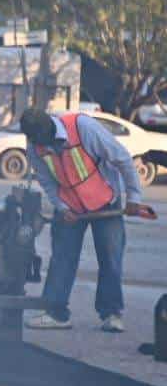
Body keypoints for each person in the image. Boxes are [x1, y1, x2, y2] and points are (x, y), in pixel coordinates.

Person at [21, 108, 153, 332]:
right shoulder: (35, 146)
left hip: (105, 200)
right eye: (39, 142)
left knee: (110, 259)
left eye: (48, 140)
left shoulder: (83, 127)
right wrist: (62, 208)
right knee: (62, 258)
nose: (46, 146)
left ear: (51, 127)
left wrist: (133, 197)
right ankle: (56, 313)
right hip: (70, 206)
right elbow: (47, 182)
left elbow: (122, 159)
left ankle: (111, 314)